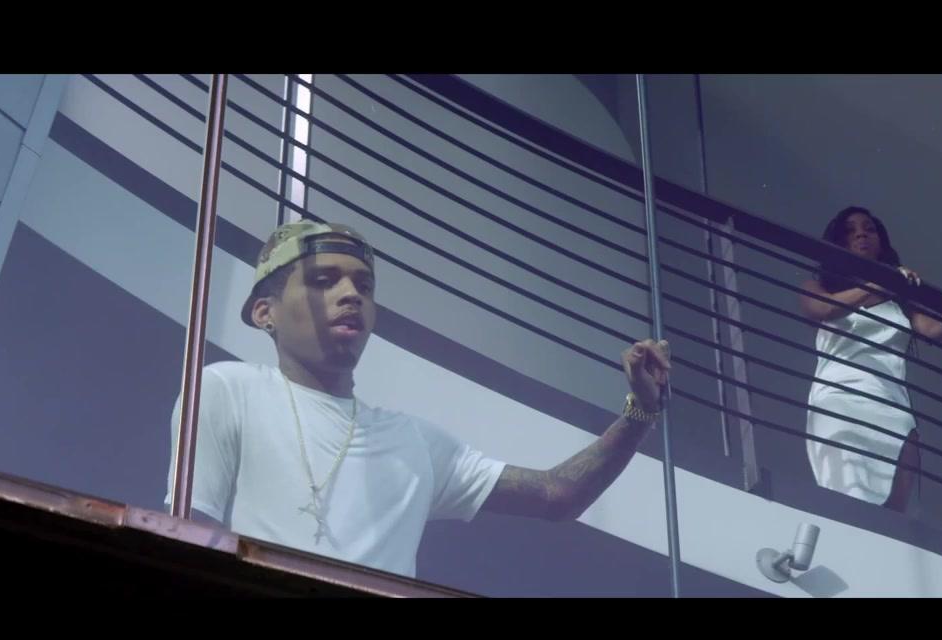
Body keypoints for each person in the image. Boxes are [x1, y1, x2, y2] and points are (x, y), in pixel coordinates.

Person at [165, 220, 671, 579]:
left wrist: (642, 411)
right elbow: (188, 539)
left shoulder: (414, 443)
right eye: (323, 280)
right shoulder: (229, 391)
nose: (351, 294)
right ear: (264, 313)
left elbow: (558, 494)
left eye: (364, 285)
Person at [798, 206, 942, 513]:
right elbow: (822, 309)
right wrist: (879, 283)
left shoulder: (899, 302)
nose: (861, 234)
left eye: (869, 229)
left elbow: (931, 330)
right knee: (848, 498)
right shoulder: (819, 287)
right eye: (850, 231)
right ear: (839, 243)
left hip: (893, 408)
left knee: (892, 516)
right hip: (839, 400)